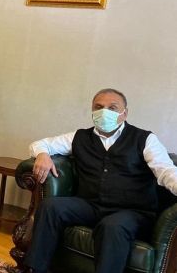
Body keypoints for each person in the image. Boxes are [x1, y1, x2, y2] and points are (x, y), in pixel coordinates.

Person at [24, 88, 177, 273]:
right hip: (90, 205)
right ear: (92, 111)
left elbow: (166, 171)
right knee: (50, 207)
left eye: (112, 108)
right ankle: (35, 269)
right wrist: (42, 154)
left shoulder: (145, 139)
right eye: (99, 107)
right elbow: (40, 144)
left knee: (112, 226)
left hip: (132, 211)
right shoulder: (79, 137)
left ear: (125, 113)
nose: (105, 112)